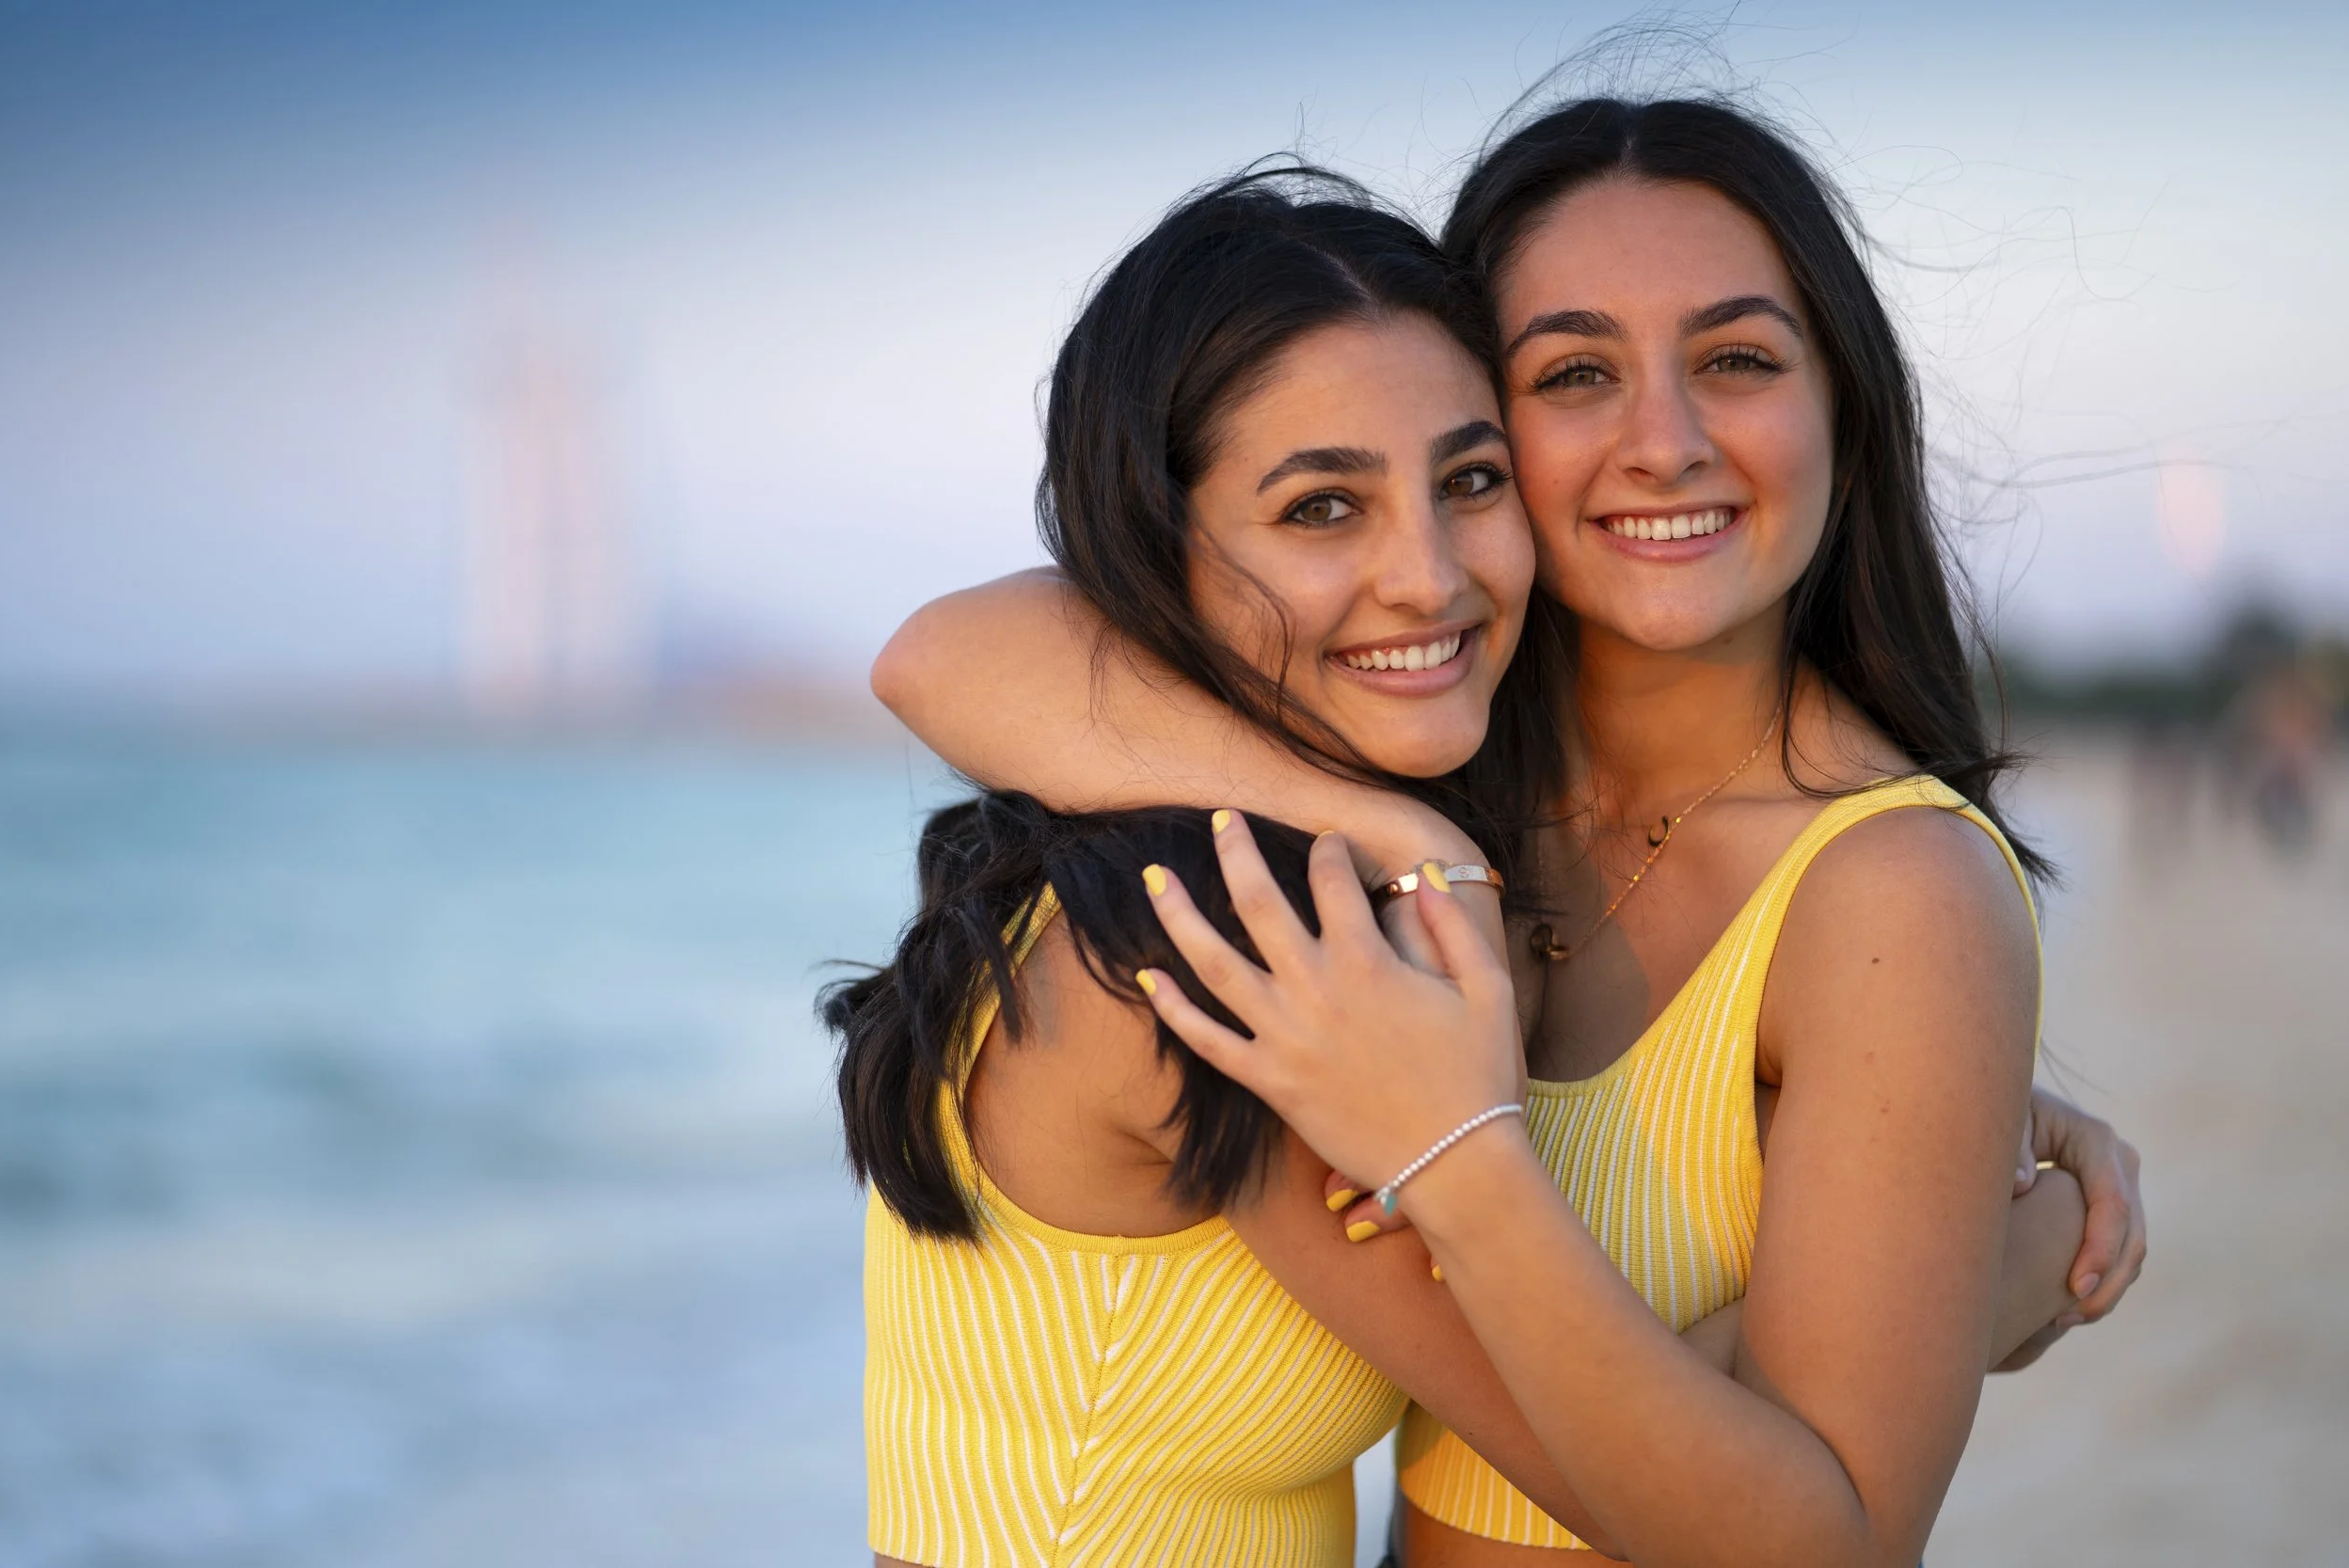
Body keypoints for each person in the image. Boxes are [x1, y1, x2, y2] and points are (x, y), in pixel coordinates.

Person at [874, 103, 2146, 1567]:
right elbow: (937, 653)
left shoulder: (1837, 881)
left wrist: (1946, 1150)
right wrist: (1990, 1267)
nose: (1663, 442)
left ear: (1843, 406)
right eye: (1577, 372)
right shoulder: (1266, 915)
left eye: (1736, 357)